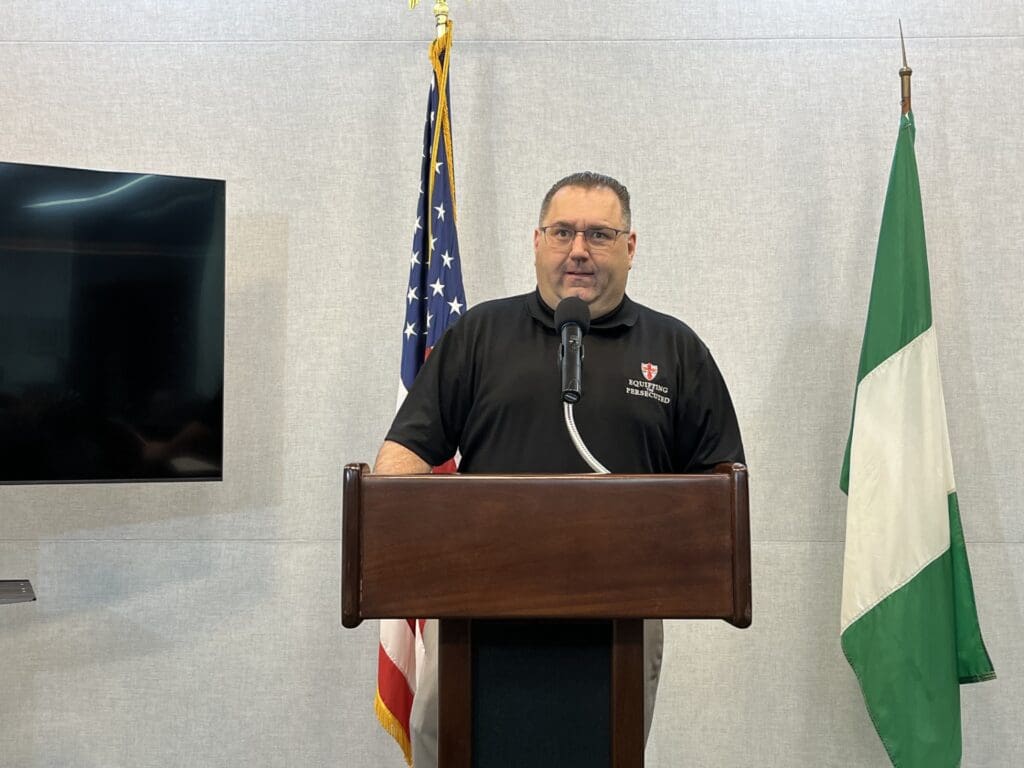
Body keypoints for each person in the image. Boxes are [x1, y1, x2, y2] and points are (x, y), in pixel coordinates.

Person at [375, 171, 745, 765]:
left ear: (630, 246)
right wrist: (401, 534)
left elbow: (719, 492)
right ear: (537, 241)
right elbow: (403, 458)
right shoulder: (480, 334)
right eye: (562, 232)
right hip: (477, 611)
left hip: (620, 620)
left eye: (599, 234)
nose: (578, 250)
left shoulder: (675, 349)